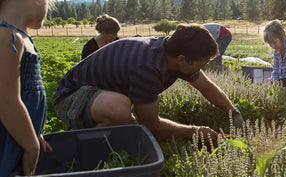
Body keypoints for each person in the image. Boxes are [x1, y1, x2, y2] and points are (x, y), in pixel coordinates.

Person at [53, 23, 245, 143]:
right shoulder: (147, 66)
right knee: (120, 110)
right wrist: (194, 132)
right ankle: (85, 147)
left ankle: (113, 136)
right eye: (201, 64)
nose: (202, 68)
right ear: (181, 59)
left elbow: (206, 87)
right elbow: (152, 124)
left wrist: (233, 112)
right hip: (72, 100)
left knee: (132, 127)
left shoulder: (172, 52)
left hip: (99, 98)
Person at [0, 0, 53, 177]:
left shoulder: (20, 38)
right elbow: (6, 100)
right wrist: (30, 146)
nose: (49, 4)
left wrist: (31, 132)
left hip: (17, 135)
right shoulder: (6, 37)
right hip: (6, 139)